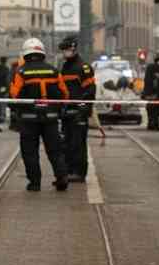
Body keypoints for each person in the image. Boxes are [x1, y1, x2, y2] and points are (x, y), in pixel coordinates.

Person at [10, 38, 69, 192]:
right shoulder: (53, 71)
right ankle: (62, 176)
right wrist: (58, 109)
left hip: (28, 119)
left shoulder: (21, 72)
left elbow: (14, 95)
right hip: (50, 118)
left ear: (25, 54)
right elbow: (64, 93)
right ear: (42, 53)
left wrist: (16, 111)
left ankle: (35, 183)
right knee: (55, 150)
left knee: (30, 152)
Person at [58, 36, 96, 182]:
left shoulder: (84, 68)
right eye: (63, 50)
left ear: (73, 49)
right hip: (67, 112)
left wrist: (84, 110)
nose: (64, 53)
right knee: (67, 143)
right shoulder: (65, 67)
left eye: (66, 50)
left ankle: (79, 172)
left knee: (78, 144)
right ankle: (69, 170)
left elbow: (89, 91)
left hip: (78, 112)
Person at [143, 52, 159, 131]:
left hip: (148, 92)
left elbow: (147, 80)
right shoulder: (157, 68)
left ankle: (150, 124)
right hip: (154, 93)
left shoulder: (150, 67)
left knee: (150, 108)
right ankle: (155, 125)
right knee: (155, 109)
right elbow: (158, 81)